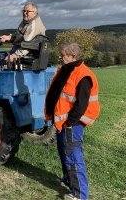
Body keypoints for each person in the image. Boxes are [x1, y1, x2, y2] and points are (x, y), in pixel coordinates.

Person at [44, 43, 100, 200]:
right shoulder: (66, 70)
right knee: (64, 153)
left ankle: (79, 194)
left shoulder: (83, 75)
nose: (60, 57)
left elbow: (81, 105)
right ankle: (69, 180)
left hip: (72, 125)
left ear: (73, 56)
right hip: (62, 123)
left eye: (63, 55)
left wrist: (69, 123)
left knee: (73, 157)